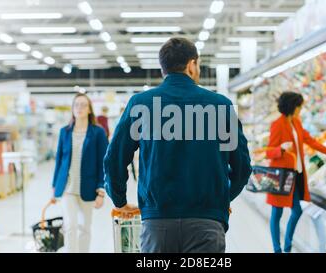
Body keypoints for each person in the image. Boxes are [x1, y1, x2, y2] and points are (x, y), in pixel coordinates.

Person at [104, 37, 252, 253]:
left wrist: (119, 199)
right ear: (192, 65)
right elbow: (242, 167)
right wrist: (221, 199)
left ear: (163, 68)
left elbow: (114, 159)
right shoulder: (221, 106)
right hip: (206, 223)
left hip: (157, 223)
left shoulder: (142, 105)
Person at [266, 91, 326, 253]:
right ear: (292, 106)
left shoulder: (296, 123)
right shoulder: (277, 124)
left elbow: (312, 142)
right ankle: (277, 249)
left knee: (297, 210)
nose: (301, 109)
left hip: (296, 174)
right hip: (281, 175)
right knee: (277, 212)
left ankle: (287, 246)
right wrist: (280, 149)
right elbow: (268, 152)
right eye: (299, 106)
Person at [51, 93, 109, 253]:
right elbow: (59, 161)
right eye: (76, 105)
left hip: (89, 188)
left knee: (85, 227)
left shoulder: (98, 133)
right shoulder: (65, 132)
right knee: (70, 225)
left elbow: (103, 164)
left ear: (90, 109)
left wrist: (101, 191)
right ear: (72, 109)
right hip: (67, 188)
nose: (79, 108)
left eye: (83, 105)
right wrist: (54, 186)